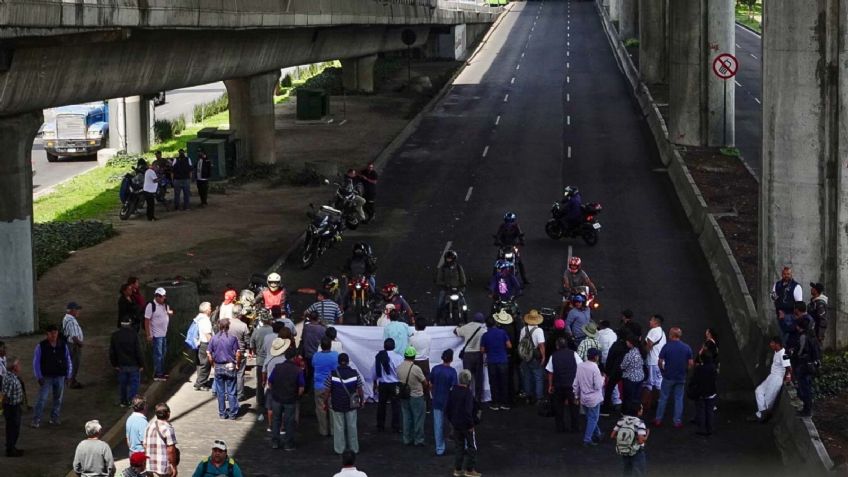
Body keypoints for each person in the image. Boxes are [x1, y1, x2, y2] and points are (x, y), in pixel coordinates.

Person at [31, 324, 72, 428]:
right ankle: (36, 419)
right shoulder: (41, 346)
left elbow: (68, 360)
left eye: (55, 333)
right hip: (46, 377)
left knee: (58, 399)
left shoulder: (63, 345)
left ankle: (54, 418)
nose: (54, 335)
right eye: (52, 333)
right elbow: (36, 363)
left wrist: (68, 374)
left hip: (60, 376)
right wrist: (39, 376)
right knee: (42, 399)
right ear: (47, 334)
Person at [323, 353, 364, 455]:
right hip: (351, 404)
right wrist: (361, 401)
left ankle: (340, 449)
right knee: (352, 426)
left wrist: (325, 402)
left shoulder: (332, 374)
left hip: (337, 403)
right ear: (348, 361)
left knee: (339, 427)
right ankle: (354, 448)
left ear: (338, 362)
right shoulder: (354, 373)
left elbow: (327, 390)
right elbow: (360, 389)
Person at [654, 327, 693, 428]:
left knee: (663, 398)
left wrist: (663, 370)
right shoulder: (687, 347)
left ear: (671, 335)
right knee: (679, 399)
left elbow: (660, 361)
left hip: (668, 376)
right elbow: (690, 363)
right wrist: (686, 371)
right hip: (681, 377)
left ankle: (658, 419)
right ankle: (677, 421)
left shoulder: (667, 347)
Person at [269, 346, 304, 450]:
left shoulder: (277, 367)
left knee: (276, 420)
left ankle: (275, 442)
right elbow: (301, 388)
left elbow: (270, 382)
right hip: (290, 399)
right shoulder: (298, 370)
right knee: (289, 422)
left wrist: (274, 392)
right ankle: (288, 444)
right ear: (295, 357)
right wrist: (297, 396)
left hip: (277, 398)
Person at [446, 370, 481, 477]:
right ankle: (469, 469)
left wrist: (452, 421)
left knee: (459, 446)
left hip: (456, 424)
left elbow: (448, 408)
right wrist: (471, 425)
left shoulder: (453, 391)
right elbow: (468, 411)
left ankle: (458, 469)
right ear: (469, 381)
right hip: (466, 425)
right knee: (471, 447)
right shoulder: (467, 393)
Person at [749, 337, 791, 422]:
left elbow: (789, 368)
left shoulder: (783, 354)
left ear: (777, 344)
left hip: (776, 379)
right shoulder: (776, 352)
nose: (770, 345)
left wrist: (787, 378)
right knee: (758, 391)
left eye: (772, 343)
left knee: (768, 399)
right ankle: (763, 413)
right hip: (771, 376)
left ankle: (761, 416)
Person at [546, 337, 582, 433]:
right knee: (574, 408)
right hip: (572, 386)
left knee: (559, 408)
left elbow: (550, 372)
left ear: (557, 346)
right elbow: (580, 367)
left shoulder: (553, 356)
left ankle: (560, 428)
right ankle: (575, 428)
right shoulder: (574, 354)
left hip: (558, 385)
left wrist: (550, 385)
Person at [207, 319, 241, 420]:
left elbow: (209, 354)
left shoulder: (213, 339)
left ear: (219, 326)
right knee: (231, 390)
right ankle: (232, 413)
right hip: (230, 365)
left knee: (220, 391)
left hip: (218, 366)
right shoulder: (232, 338)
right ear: (228, 326)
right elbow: (238, 353)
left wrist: (213, 364)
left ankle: (222, 412)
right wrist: (237, 364)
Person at [109, 316, 144, 407]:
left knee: (123, 384)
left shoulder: (115, 336)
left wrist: (114, 364)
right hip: (134, 364)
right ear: (130, 324)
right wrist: (141, 364)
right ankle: (132, 401)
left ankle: (123, 401)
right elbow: (138, 351)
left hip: (121, 365)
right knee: (134, 384)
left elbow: (112, 352)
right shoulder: (134, 335)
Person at [397, 346, 428, 446]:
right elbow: (424, 382)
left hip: (404, 395)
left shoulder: (399, 367)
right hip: (416, 396)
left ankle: (407, 438)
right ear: (414, 356)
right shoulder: (416, 369)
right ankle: (418, 439)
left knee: (406, 417)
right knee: (418, 418)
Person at [480, 315, 512, 411]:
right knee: (504, 382)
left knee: (493, 383)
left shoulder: (485, 335)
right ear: (495, 323)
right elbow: (509, 345)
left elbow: (482, 350)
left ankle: (495, 403)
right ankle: (505, 403)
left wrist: (489, 350)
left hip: (492, 361)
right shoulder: (502, 332)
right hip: (503, 361)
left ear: (487, 325)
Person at [430, 349, 458, 456]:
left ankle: (439, 449)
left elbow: (431, 382)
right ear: (451, 359)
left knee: (438, 425)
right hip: (449, 401)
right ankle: (461, 445)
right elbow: (454, 387)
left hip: (437, 400)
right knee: (455, 423)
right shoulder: (452, 372)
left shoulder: (435, 369)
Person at [574, 348, 604, 446]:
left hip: (584, 397)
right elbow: (598, 385)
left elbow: (576, 383)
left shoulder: (580, 366)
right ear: (596, 357)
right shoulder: (595, 368)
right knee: (593, 418)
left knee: (590, 417)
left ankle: (598, 434)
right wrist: (603, 378)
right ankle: (587, 439)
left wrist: (576, 395)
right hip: (594, 398)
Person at [454, 313, 486, 402]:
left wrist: (459, 327)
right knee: (478, 378)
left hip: (467, 355)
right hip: (478, 355)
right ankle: (478, 398)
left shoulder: (467, 326)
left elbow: (456, 331)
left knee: (466, 377)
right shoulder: (483, 329)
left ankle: (466, 397)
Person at [373, 338, 403, 433]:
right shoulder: (398, 358)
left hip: (383, 384)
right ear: (394, 346)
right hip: (395, 385)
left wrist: (375, 383)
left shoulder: (379, 356)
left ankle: (380, 425)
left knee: (381, 405)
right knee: (396, 405)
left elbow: (374, 371)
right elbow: (401, 373)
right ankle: (396, 426)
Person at [611, 403, 650, 476]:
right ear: (638, 411)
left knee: (626, 470)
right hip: (637, 450)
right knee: (639, 471)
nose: (642, 410)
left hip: (624, 449)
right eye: (641, 409)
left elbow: (612, 436)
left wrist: (625, 440)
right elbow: (640, 441)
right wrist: (647, 434)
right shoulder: (640, 423)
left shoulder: (621, 420)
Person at [791, 319, 820, 417]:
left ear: (799, 327)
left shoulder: (803, 336)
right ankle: (808, 409)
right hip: (811, 365)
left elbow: (800, 351)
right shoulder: (812, 335)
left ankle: (807, 411)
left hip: (804, 365)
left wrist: (793, 353)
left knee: (804, 388)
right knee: (807, 387)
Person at [689, 342, 718, 436]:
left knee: (701, 410)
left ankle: (701, 429)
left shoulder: (699, 369)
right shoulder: (713, 368)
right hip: (711, 392)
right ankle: (710, 429)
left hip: (701, 393)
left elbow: (694, 380)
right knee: (709, 411)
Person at [144, 287, 173, 381]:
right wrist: (149, 334)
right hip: (156, 335)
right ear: (156, 296)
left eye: (164, 296)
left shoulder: (165, 305)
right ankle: (158, 374)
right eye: (161, 296)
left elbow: (169, 312)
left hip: (164, 334)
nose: (163, 298)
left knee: (163, 353)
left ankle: (162, 371)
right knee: (158, 354)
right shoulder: (151, 305)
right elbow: (147, 320)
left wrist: (169, 312)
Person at [313, 337, 339, 437]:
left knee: (320, 409)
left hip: (319, 386)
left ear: (321, 346)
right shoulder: (335, 355)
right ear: (330, 345)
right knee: (332, 408)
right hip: (332, 386)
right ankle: (333, 431)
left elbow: (313, 365)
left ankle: (323, 431)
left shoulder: (316, 356)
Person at [518, 310, 546, 403]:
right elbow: (541, 345)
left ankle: (528, 396)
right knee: (538, 376)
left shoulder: (523, 329)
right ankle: (539, 398)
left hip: (525, 355)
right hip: (535, 356)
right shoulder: (539, 331)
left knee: (527, 376)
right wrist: (543, 356)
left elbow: (521, 343)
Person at [144, 403, 178, 477]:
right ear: (168, 413)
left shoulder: (149, 426)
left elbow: (145, 445)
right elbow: (171, 450)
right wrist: (174, 467)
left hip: (150, 466)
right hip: (163, 468)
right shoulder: (168, 429)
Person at [641, 315, 666, 413]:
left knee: (649, 384)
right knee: (659, 383)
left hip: (652, 362)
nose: (649, 321)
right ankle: (659, 404)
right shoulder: (662, 332)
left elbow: (649, 346)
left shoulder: (653, 331)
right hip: (660, 362)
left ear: (656, 322)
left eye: (651, 320)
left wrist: (642, 355)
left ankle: (644, 405)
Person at [771, 266, 802, 342]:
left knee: (788, 337)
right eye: (784, 274)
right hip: (780, 316)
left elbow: (799, 304)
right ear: (782, 274)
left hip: (791, 317)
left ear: (791, 275)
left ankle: (787, 352)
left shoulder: (796, 286)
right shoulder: (777, 284)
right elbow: (773, 295)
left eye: (788, 274)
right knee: (781, 336)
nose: (786, 276)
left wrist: (794, 316)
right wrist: (778, 302)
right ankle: (783, 352)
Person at [2, 356, 24, 457]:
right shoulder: (12, 380)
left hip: (13, 406)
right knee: (13, 428)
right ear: (14, 367)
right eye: (18, 364)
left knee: (12, 428)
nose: (20, 366)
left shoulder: (10, 376)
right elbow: (6, 396)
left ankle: (11, 447)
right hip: (12, 408)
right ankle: (10, 449)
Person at [435, 249, 467, 316]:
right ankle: (437, 318)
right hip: (446, 290)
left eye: (450, 258)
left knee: (464, 305)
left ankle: (465, 318)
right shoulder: (442, 268)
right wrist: (445, 285)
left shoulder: (458, 267)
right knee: (440, 304)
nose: (449, 260)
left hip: (457, 289)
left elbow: (463, 278)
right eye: (448, 258)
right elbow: (439, 279)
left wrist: (462, 285)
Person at [603, 330, 628, 413]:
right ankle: (624, 409)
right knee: (626, 389)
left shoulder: (615, 345)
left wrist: (607, 371)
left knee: (609, 388)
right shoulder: (628, 347)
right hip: (625, 371)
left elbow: (610, 358)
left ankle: (606, 409)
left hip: (615, 371)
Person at [62, 302, 85, 389]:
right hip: (73, 345)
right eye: (77, 309)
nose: (78, 311)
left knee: (71, 362)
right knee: (75, 363)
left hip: (70, 344)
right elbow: (74, 336)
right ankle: (71, 381)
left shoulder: (66, 318)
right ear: (72, 310)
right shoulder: (71, 320)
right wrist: (80, 343)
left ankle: (70, 380)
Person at [228, 313, 251, 401]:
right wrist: (248, 349)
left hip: (228, 351)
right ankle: (240, 394)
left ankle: (229, 393)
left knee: (229, 372)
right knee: (240, 373)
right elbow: (247, 340)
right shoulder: (243, 326)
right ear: (240, 315)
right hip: (240, 351)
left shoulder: (227, 323)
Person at [193, 303, 214, 391]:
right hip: (205, 344)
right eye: (209, 308)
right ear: (205, 310)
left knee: (200, 364)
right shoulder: (205, 320)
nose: (210, 309)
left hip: (198, 343)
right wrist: (213, 344)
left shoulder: (198, 317)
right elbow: (207, 334)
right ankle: (200, 383)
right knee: (206, 364)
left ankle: (201, 381)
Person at [409, 319, 433, 395]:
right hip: (425, 362)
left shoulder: (411, 338)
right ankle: (427, 402)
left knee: (413, 382)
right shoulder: (429, 337)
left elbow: (410, 349)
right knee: (425, 383)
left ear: (415, 326)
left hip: (414, 362)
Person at [620, 336, 645, 406]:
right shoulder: (641, 351)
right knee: (637, 397)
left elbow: (622, 366)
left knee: (628, 398)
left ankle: (628, 412)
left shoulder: (629, 354)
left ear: (631, 343)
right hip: (640, 377)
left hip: (630, 378)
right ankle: (636, 411)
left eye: (627, 341)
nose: (626, 342)